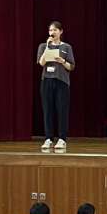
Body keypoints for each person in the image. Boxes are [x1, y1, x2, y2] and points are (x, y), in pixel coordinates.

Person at [37, 20, 75, 152]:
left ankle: (62, 139)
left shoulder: (66, 47)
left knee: (62, 110)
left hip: (62, 81)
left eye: (55, 30)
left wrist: (62, 61)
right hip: (47, 80)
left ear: (61, 31)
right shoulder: (43, 46)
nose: (52, 32)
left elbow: (71, 66)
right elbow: (41, 63)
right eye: (50, 30)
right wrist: (48, 47)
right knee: (47, 110)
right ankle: (48, 138)